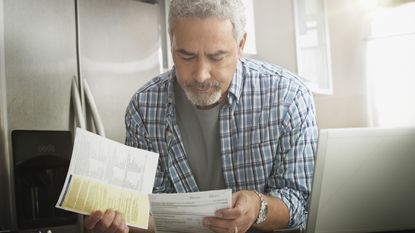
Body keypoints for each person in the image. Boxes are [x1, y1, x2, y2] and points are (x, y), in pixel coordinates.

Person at [84, 0, 318, 232]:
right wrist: (122, 226)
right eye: (186, 56)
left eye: (217, 57)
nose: (200, 75)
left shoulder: (288, 97)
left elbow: (301, 204)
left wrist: (259, 206)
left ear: (241, 44)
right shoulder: (144, 108)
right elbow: (151, 214)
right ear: (171, 42)